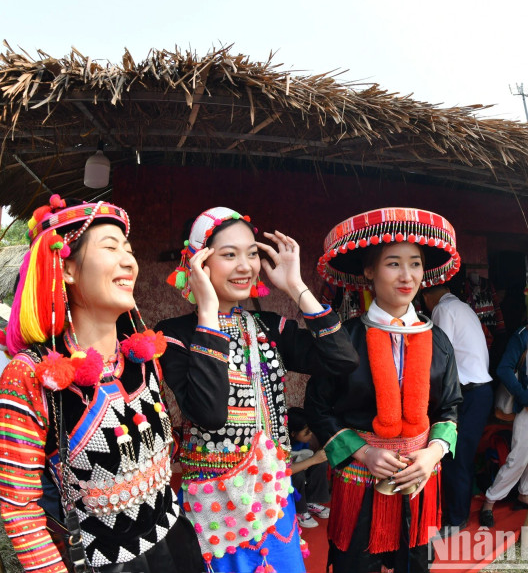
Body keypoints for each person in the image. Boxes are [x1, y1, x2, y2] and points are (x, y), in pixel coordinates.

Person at [0, 197, 201, 573]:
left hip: (177, 544)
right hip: (108, 564)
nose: (129, 261)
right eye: (110, 247)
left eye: (129, 249)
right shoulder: (31, 374)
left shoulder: (142, 356)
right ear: (68, 269)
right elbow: (20, 510)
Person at [157, 206, 359, 573]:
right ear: (198, 262)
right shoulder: (173, 335)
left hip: (271, 496)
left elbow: (343, 361)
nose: (246, 266)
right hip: (213, 505)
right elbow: (210, 414)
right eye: (229, 254)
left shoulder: (267, 326)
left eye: (252, 253)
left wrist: (296, 287)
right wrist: (207, 315)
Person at [305, 207, 463, 573]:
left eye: (416, 263)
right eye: (393, 263)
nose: (407, 276)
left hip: (419, 482)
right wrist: (363, 453)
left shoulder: (437, 340)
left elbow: (451, 407)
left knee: (415, 566)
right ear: (369, 271)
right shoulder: (343, 340)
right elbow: (318, 406)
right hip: (360, 484)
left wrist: (432, 455)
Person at [480, 280, 528, 528]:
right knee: (519, 457)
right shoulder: (523, 336)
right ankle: (490, 500)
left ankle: (525, 492)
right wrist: (525, 398)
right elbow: (504, 370)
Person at [422, 282, 493, 534]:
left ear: (428, 296)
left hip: (468, 394)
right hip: (480, 391)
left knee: (455, 457)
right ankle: (457, 513)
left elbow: (440, 355)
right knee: (461, 456)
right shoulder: (463, 307)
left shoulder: (442, 309)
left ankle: (455, 520)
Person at [287, 407, 330, 528]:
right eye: (307, 432)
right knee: (298, 475)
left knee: (320, 463)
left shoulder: (302, 441)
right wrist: (313, 460)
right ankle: (300, 510)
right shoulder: (282, 444)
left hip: (300, 464)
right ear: (293, 433)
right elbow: (287, 471)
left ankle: (311, 502)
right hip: (286, 476)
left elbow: (308, 456)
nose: (310, 434)